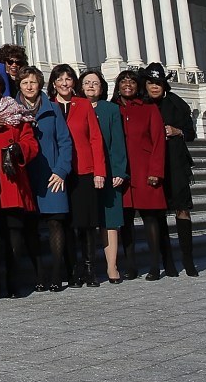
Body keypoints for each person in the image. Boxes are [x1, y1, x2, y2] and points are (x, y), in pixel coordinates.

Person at [0, 70, 42, 298]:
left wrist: (19, 149)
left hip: (13, 184)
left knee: (14, 236)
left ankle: (14, 282)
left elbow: (30, 142)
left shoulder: (16, 111)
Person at [14, 66, 73, 291]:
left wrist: (61, 170)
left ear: (40, 84)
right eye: (25, 83)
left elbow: (65, 141)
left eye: (33, 82)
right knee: (31, 226)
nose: (30, 87)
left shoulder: (52, 108)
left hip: (52, 174)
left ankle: (57, 273)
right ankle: (40, 273)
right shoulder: (12, 108)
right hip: (27, 174)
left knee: (56, 222)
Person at [49, 63, 106, 288]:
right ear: (53, 83)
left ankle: (90, 268)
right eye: (60, 79)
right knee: (66, 223)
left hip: (84, 169)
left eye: (68, 79)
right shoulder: (49, 105)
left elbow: (95, 138)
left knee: (86, 223)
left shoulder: (83, 105)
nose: (64, 83)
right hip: (60, 173)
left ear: (74, 83)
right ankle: (72, 269)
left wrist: (99, 171)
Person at [114, 69, 172, 280]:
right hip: (123, 174)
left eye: (131, 81)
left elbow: (158, 142)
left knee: (150, 220)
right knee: (126, 223)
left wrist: (156, 171)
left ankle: (155, 265)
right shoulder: (114, 109)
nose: (127, 85)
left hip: (145, 170)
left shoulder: (149, 108)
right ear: (118, 85)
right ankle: (131, 266)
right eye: (123, 81)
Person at [143, 62, 199, 276]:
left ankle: (188, 258)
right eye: (150, 83)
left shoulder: (177, 104)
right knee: (158, 213)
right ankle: (168, 261)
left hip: (176, 162)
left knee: (182, 209)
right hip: (153, 164)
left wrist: (178, 131)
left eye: (158, 82)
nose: (154, 86)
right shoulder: (143, 105)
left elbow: (191, 133)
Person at [81, 70, 129, 284]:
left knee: (110, 221)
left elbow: (118, 142)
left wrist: (119, 170)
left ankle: (112, 266)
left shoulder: (110, 109)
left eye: (95, 83)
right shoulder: (76, 107)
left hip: (109, 171)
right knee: (88, 219)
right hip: (84, 171)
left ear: (102, 88)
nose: (91, 86)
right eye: (87, 82)